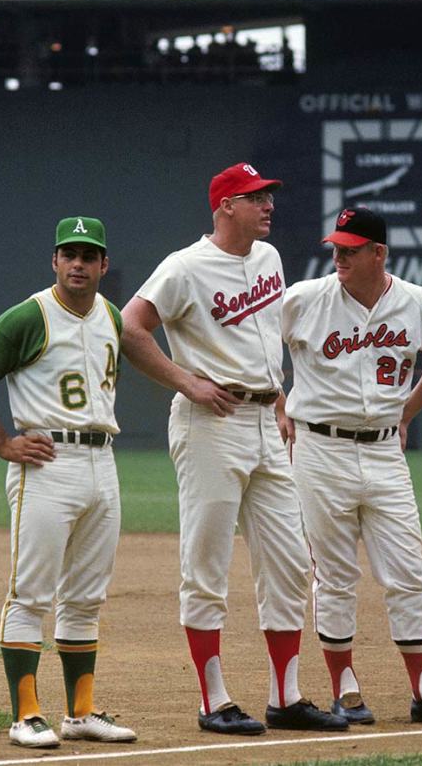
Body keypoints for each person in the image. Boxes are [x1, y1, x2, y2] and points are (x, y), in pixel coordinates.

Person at [121, 162, 346, 735]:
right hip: (209, 422)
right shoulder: (185, 266)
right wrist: (186, 381)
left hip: (265, 421)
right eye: (256, 197)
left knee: (291, 563)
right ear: (225, 206)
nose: (269, 204)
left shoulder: (268, 259)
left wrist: (277, 399)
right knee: (207, 563)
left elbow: (263, 338)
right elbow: (131, 327)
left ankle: (286, 696)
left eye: (269, 195)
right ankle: (213, 698)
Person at [279, 207, 422, 727]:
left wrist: (407, 410)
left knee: (408, 569)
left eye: (350, 248)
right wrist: (279, 402)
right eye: (335, 247)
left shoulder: (415, 302)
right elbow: (252, 347)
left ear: (378, 253)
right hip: (319, 450)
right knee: (335, 575)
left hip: (385, 450)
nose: (338, 256)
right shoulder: (304, 298)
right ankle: (345, 686)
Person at [0, 217, 137, 749]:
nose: (77, 263)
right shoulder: (29, 316)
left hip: (102, 460)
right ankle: (25, 714)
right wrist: (3, 444)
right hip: (47, 460)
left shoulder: (111, 315)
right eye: (68, 254)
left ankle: (80, 713)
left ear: (104, 265)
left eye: (88, 255)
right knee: (30, 592)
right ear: (54, 261)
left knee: (86, 594)